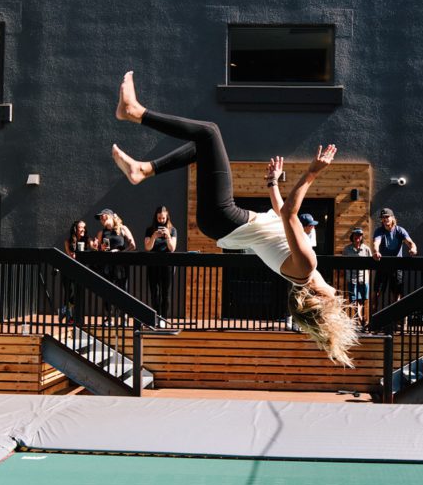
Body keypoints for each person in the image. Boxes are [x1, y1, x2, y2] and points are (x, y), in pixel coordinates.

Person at [111, 70, 359, 366]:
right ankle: (144, 170)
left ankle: (135, 112)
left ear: (324, 298)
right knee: (201, 148)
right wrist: (272, 185)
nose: (340, 295)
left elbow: (292, 212)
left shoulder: (306, 265)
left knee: (209, 133)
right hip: (221, 224)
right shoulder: (297, 272)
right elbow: (282, 217)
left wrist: (312, 172)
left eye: (338, 301)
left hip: (226, 218)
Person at [371, 208, 417, 311]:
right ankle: (372, 317)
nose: (385, 219)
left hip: (397, 266)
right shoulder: (379, 231)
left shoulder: (400, 230)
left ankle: (395, 319)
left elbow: (410, 242)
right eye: (383, 218)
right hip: (382, 265)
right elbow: (376, 243)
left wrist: (413, 249)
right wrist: (376, 251)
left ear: (392, 218)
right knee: (376, 292)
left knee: (396, 293)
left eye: (387, 217)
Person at [144, 205, 178, 325]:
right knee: (154, 292)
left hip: (167, 265)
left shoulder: (172, 230)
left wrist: (168, 236)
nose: (161, 221)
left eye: (163, 218)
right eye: (159, 218)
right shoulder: (149, 230)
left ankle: (163, 317)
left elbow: (172, 248)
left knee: (165, 292)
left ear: (167, 217)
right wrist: (154, 236)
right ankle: (156, 316)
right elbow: (147, 248)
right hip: (153, 264)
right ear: (156, 217)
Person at [94, 208, 136, 302]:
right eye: (100, 218)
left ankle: (123, 313)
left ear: (111, 216)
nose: (101, 219)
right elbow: (97, 249)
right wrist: (99, 248)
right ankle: (109, 314)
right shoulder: (101, 233)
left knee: (122, 290)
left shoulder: (122, 228)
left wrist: (120, 253)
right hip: (107, 266)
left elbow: (133, 245)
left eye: (103, 216)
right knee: (107, 289)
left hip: (121, 265)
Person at [342, 228, 372, 327]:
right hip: (352, 278)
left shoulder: (366, 249)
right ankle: (359, 318)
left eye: (359, 235)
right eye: (355, 235)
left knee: (362, 299)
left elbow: (371, 263)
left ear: (362, 236)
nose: (357, 237)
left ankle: (358, 319)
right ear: (352, 236)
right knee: (353, 299)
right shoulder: (347, 249)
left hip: (364, 279)